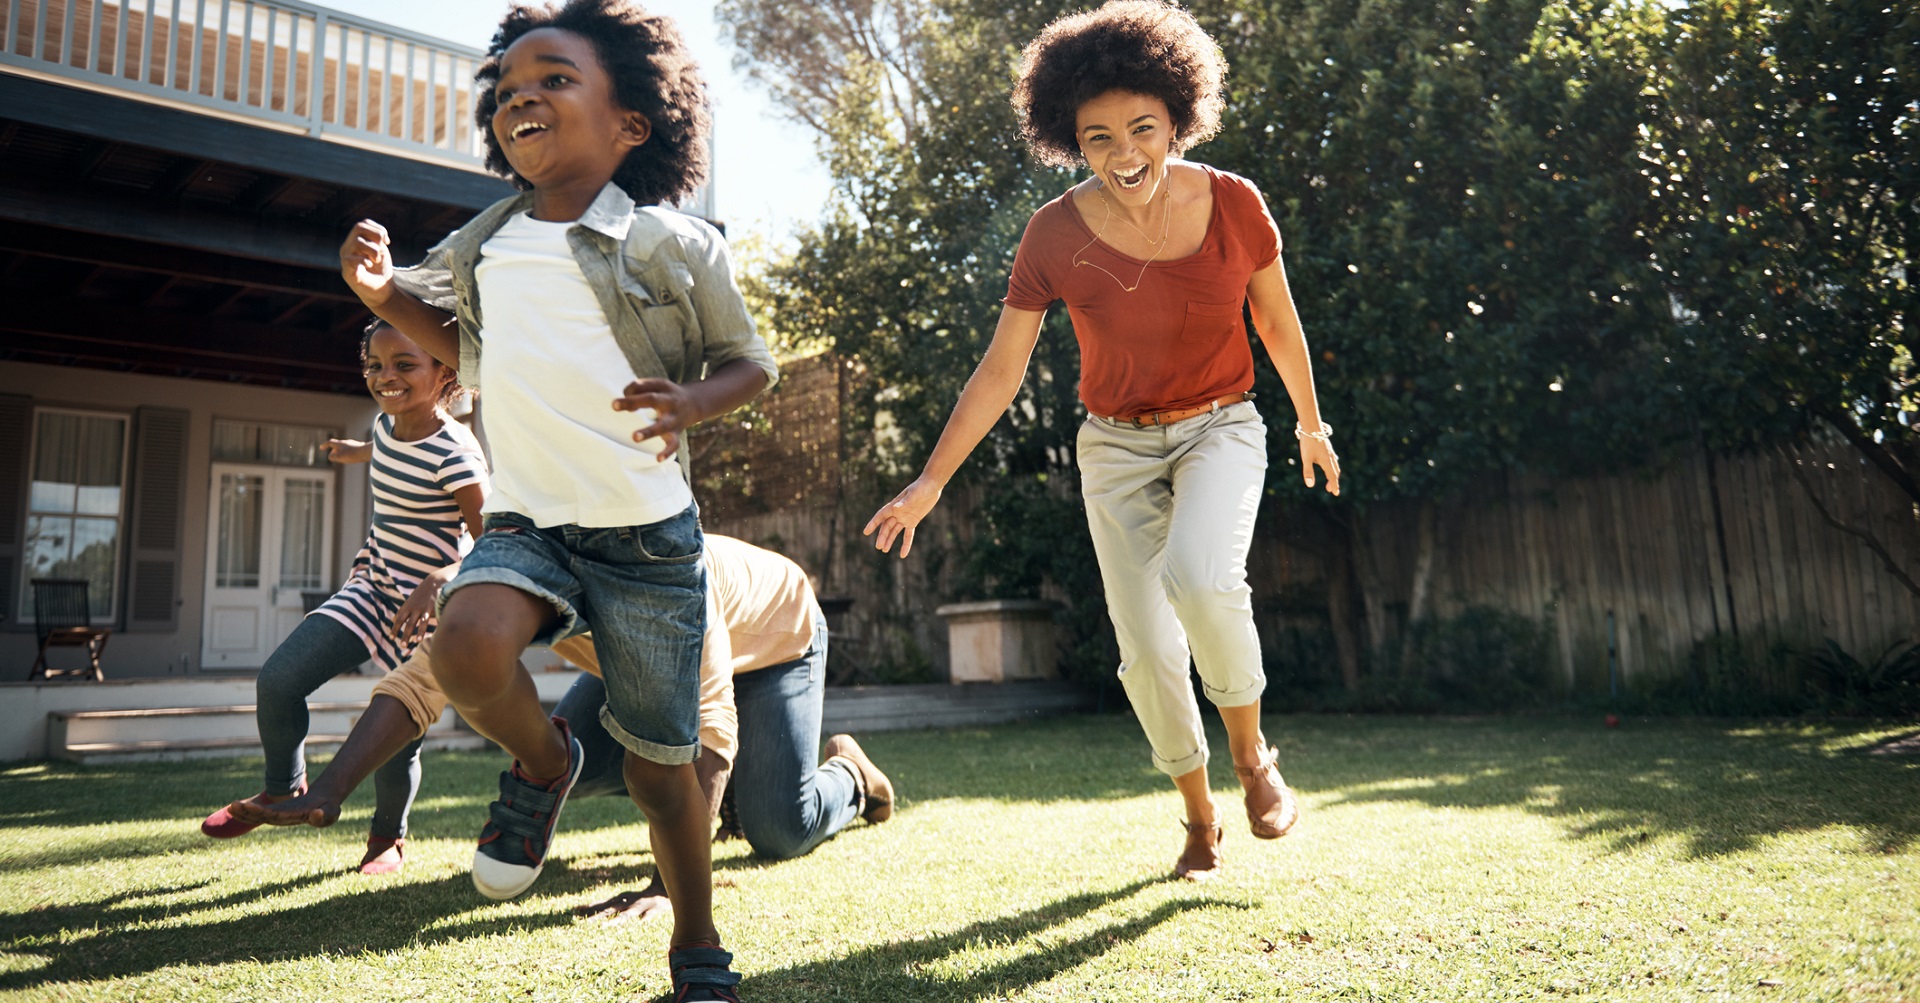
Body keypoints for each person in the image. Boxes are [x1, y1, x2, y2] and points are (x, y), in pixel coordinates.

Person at [336, 2, 775, 997]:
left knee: (662, 770)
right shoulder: (482, 244)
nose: (523, 94)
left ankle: (697, 938)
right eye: (512, 86)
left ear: (630, 124)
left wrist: (693, 400)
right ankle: (543, 763)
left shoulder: (674, 243)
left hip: (650, 542)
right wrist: (380, 295)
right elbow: (460, 348)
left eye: (557, 78)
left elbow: (750, 363)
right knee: (466, 644)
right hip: (530, 521)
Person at [863, 0, 1340, 883]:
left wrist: (1310, 420)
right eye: (1098, 138)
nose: (1124, 155)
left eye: (1143, 130)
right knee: (1145, 649)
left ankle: (1251, 755)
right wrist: (931, 480)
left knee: (1203, 577)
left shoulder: (1234, 204)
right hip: (1116, 446)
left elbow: (1277, 321)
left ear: (1177, 120)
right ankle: (1200, 820)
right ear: (1068, 139)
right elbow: (999, 371)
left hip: (1221, 424)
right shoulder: (1053, 234)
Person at [230, 536, 895, 916]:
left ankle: (849, 776)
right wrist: (330, 788)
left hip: (777, 640)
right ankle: (743, 799)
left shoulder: (672, 585)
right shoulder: (510, 590)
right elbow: (418, 682)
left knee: (780, 828)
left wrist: (670, 889)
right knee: (563, 764)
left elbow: (713, 723)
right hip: (636, 661)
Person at [200, 320, 486, 876]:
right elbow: (384, 447)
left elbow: (497, 538)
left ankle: (386, 839)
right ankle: (283, 790)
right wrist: (355, 450)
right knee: (279, 680)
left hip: (421, 611)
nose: (386, 378)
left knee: (396, 736)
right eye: (374, 366)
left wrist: (441, 578)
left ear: (443, 373)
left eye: (405, 365)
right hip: (372, 586)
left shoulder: (457, 453)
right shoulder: (384, 426)